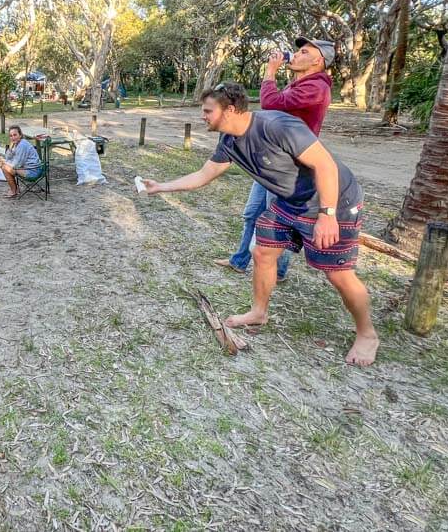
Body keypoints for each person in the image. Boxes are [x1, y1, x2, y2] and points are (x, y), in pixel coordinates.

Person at [140, 82, 378, 366]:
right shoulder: (229, 140)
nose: (202, 116)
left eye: (207, 110)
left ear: (229, 109)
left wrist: (327, 215)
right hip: (289, 202)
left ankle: (367, 334)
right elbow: (204, 175)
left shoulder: (277, 125)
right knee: (263, 252)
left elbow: (325, 165)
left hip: (333, 201)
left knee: (338, 274)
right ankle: (258, 312)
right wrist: (161, 187)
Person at [215, 36, 335, 282]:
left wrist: (270, 72)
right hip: (271, 159)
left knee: (278, 220)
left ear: (318, 60)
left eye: (303, 51)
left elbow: (270, 103)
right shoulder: (299, 84)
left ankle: (277, 272)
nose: (296, 55)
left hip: (288, 167)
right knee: (252, 213)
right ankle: (239, 260)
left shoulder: (316, 87)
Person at [0, 125, 42, 199]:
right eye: (11, 136)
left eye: (15, 135)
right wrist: (10, 147)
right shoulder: (17, 143)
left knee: (4, 167)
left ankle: (14, 191)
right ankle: (15, 189)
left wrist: (0, 160)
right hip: (27, 168)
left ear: (20, 135)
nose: (13, 137)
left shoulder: (22, 145)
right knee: (5, 165)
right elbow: (8, 157)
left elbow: (15, 165)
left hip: (33, 171)